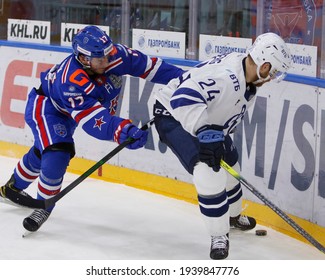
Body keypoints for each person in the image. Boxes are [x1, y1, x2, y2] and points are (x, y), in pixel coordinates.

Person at [0, 25, 184, 233]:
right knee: (58, 151)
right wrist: (122, 129)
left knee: (43, 149)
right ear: (83, 58)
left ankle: (11, 188)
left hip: (72, 110)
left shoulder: (114, 55)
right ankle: (44, 206)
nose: (106, 61)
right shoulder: (71, 82)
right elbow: (93, 121)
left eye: (107, 54)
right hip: (48, 107)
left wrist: (186, 79)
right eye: (100, 59)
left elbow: (151, 68)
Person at [153, 32, 292, 259]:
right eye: (274, 72)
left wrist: (211, 133)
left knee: (230, 166)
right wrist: (205, 132)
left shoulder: (246, 72)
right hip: (175, 116)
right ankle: (219, 235)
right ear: (265, 66)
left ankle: (233, 216)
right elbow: (182, 98)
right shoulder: (227, 78)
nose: (271, 78)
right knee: (208, 172)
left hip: (205, 118)